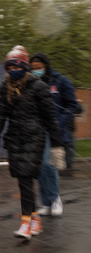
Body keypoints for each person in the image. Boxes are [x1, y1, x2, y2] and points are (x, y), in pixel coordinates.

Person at [0, 46, 65, 240]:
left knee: (25, 180)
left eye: (16, 67)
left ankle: (25, 223)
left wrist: (56, 147)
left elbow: (50, 119)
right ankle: (35, 219)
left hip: (34, 138)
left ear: (24, 66)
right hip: (14, 139)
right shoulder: (6, 87)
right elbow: (0, 116)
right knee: (24, 179)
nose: (12, 71)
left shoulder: (39, 87)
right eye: (9, 68)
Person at [29, 53, 81, 216]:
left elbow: (73, 106)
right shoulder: (31, 83)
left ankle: (54, 198)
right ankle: (45, 202)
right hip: (36, 128)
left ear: (46, 65)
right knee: (39, 167)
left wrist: (60, 120)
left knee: (47, 164)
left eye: (39, 68)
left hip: (53, 129)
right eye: (33, 68)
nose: (36, 71)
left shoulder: (60, 81)